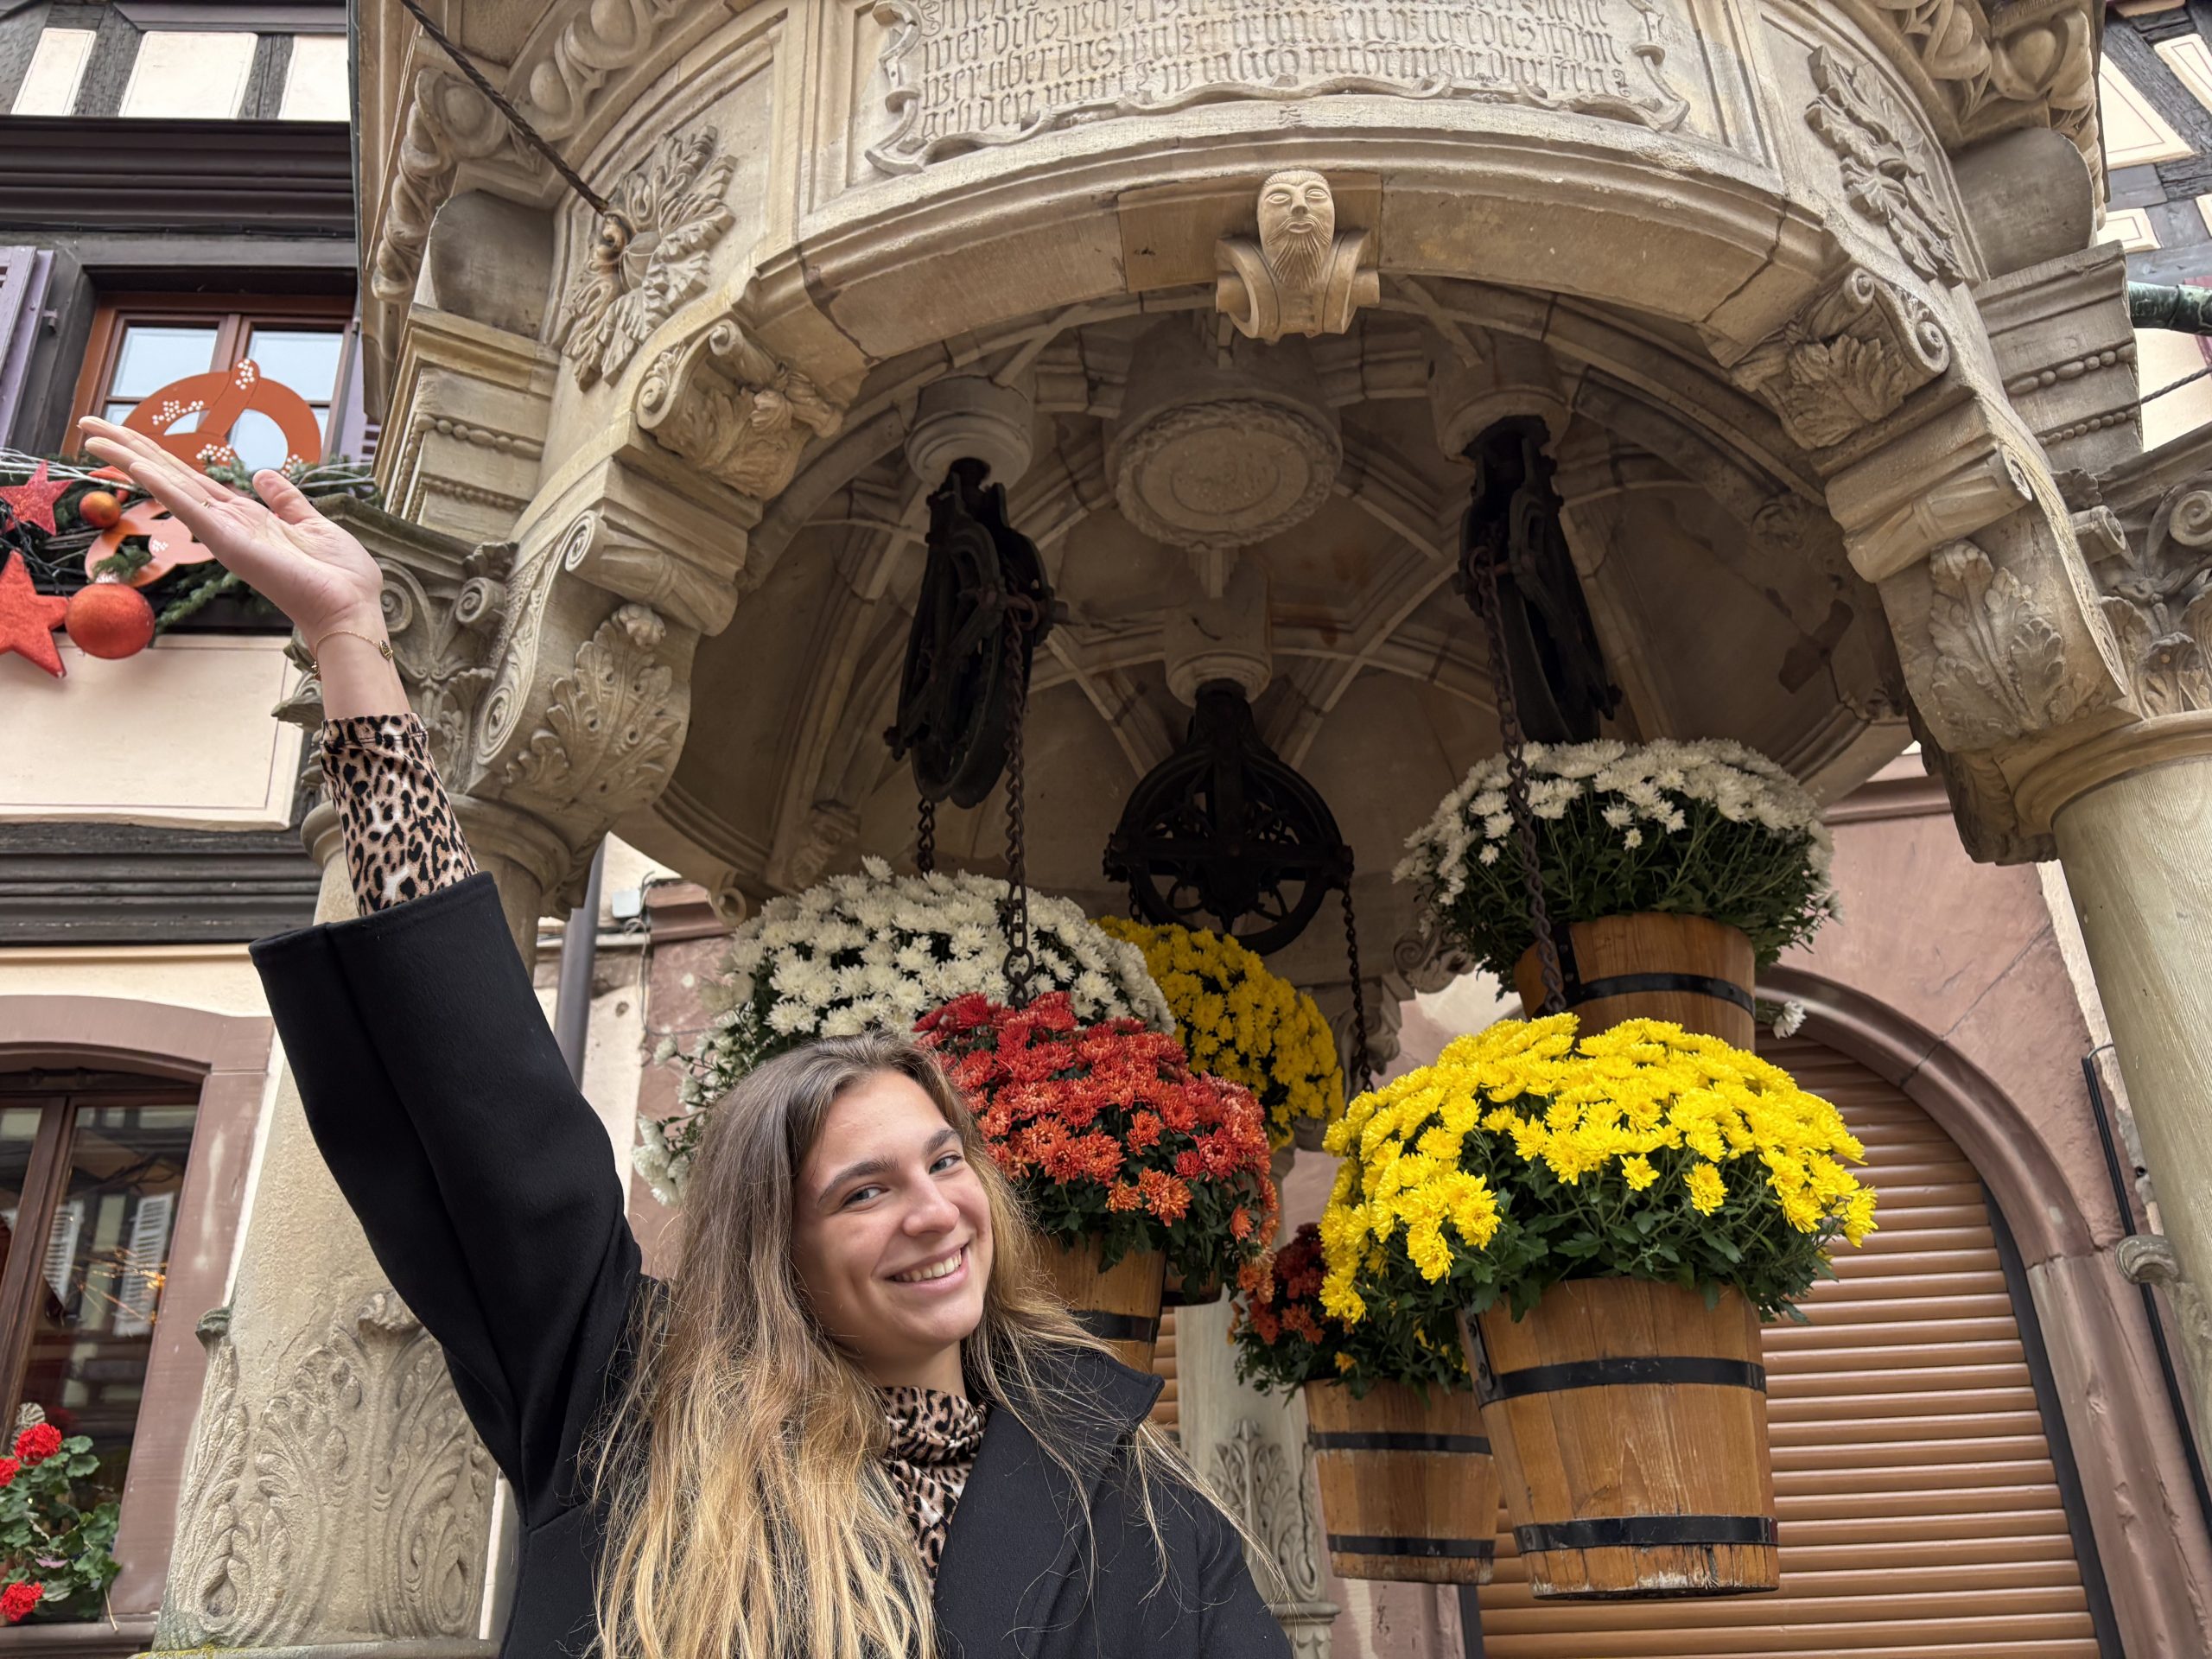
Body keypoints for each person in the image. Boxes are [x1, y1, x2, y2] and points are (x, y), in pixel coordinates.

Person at [78, 416, 1290, 1659]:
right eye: (865, 1190)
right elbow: (483, 1103)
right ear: (775, 1245)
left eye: (943, 1162)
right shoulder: (638, 1416)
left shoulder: (1139, 1500)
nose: (937, 1213)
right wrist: (351, 644)